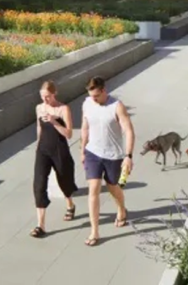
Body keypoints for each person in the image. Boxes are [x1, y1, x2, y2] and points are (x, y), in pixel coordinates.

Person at [79, 75, 135, 247]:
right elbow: (85, 127)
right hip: (93, 152)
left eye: (96, 96)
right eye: (91, 96)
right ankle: (94, 231)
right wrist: (82, 151)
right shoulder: (87, 103)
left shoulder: (117, 107)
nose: (93, 99)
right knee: (93, 189)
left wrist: (128, 156)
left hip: (113, 155)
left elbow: (129, 131)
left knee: (113, 187)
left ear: (104, 90)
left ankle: (121, 209)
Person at [30, 80, 77, 239]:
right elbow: (38, 127)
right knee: (38, 185)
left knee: (65, 180)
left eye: (48, 97)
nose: (45, 100)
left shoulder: (63, 109)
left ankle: (70, 204)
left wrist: (54, 121)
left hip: (59, 149)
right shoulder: (39, 108)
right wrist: (38, 146)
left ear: (54, 93)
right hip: (43, 150)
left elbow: (69, 134)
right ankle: (40, 225)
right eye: (43, 97)